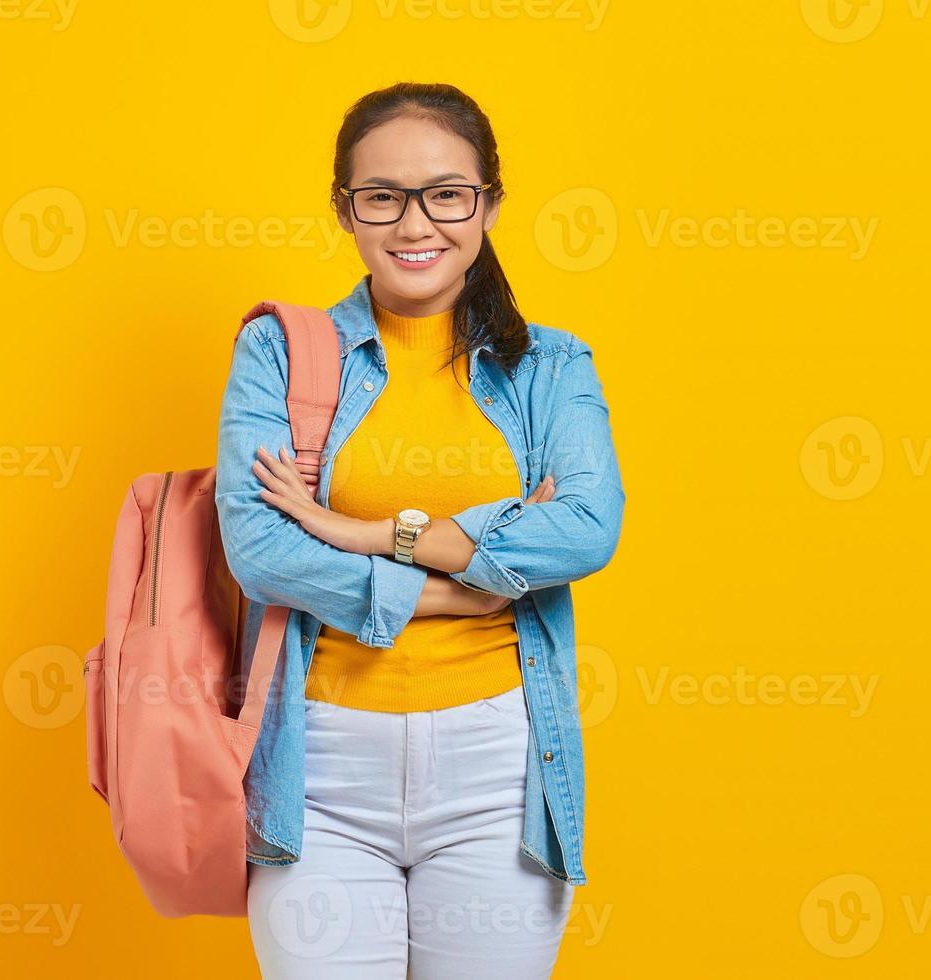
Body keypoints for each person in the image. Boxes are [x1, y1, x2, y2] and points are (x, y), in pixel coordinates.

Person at [214, 80, 626, 978]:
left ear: (488, 203)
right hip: (315, 772)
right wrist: (451, 585)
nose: (415, 224)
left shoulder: (551, 365)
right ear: (345, 209)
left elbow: (588, 530)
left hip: (497, 769)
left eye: (447, 194)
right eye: (382, 197)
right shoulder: (280, 353)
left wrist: (366, 533)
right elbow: (259, 550)